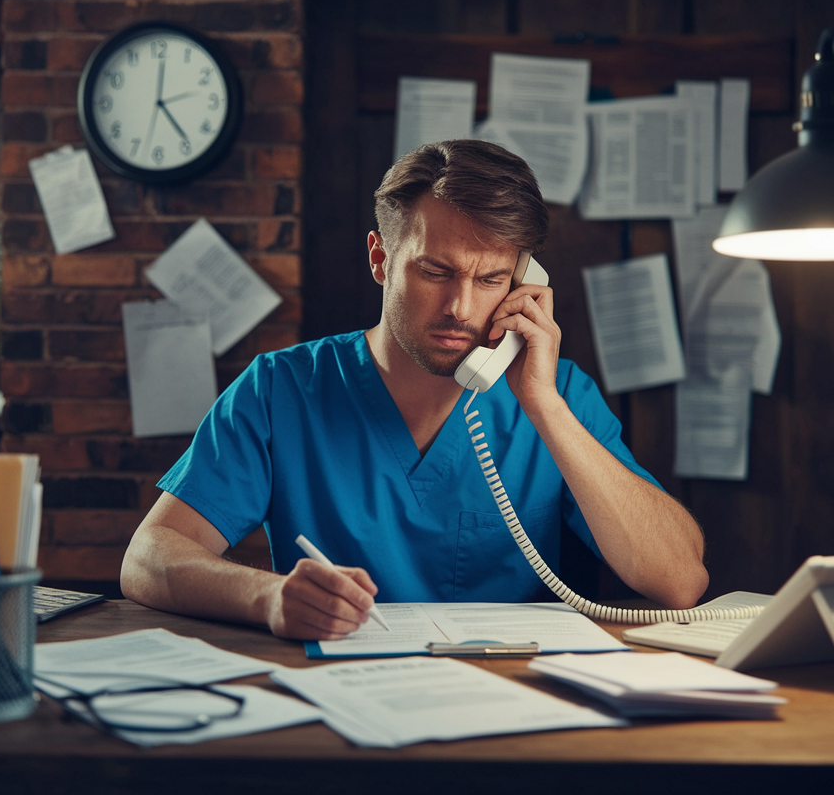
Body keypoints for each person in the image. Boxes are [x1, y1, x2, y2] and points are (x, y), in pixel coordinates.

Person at [121, 139, 708, 640]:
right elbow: (149, 559)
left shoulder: (561, 395)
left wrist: (544, 407)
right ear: (381, 258)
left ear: (524, 283)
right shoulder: (280, 389)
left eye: (491, 280)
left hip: (515, 707)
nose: (461, 308)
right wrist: (267, 598)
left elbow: (680, 581)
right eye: (435, 271)